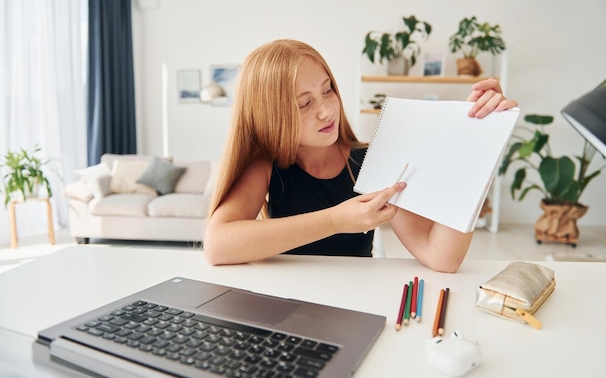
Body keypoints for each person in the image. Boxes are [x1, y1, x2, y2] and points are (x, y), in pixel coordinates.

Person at [204, 39, 517, 272]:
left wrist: (480, 141)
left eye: (328, 90)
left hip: (355, 306)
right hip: (286, 305)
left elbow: (442, 256)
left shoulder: (373, 159)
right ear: (269, 115)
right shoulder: (266, 164)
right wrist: (335, 220)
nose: (327, 111)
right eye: (305, 104)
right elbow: (218, 245)